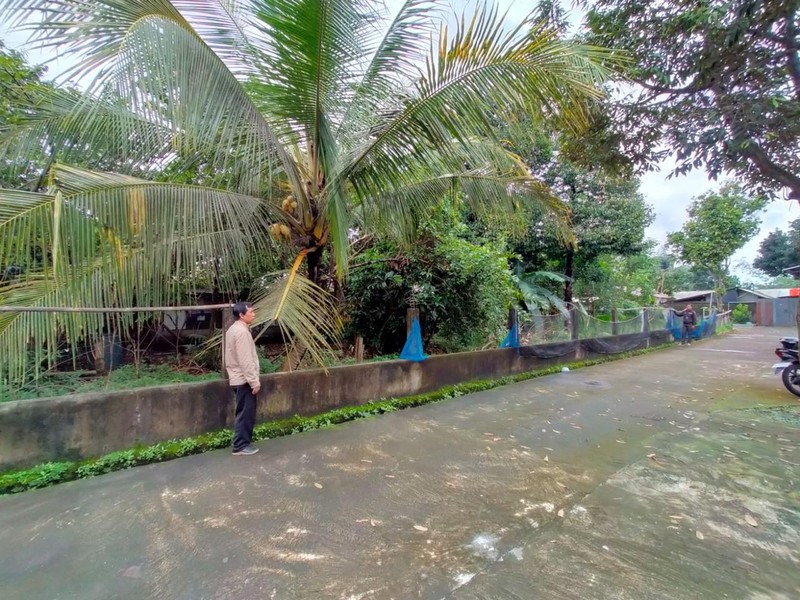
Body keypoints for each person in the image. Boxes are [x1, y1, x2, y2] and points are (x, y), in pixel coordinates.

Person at [224, 302, 261, 456]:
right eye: (251, 312)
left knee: (243, 412)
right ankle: (240, 446)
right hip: (244, 380)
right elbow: (245, 359)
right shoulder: (241, 332)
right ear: (241, 315)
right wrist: (254, 381)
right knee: (246, 413)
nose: (253, 314)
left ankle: (241, 443)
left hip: (237, 377)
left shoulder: (233, 329)